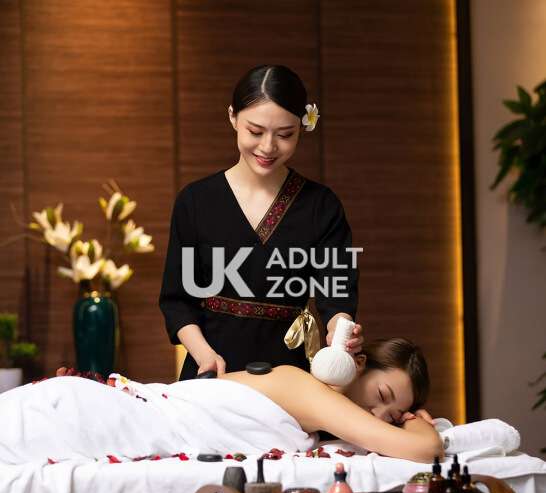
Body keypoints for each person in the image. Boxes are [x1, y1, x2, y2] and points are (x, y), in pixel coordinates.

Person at [159, 64, 363, 380]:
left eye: (285, 135)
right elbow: (177, 301)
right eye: (255, 132)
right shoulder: (196, 201)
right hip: (211, 371)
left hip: (289, 376)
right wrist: (205, 356)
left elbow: (336, 291)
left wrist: (341, 332)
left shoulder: (321, 206)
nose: (268, 147)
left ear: (303, 126)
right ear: (233, 117)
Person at [2, 338, 442, 464]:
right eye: (383, 396)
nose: (378, 416)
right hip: (95, 415)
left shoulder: (308, 416)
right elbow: (426, 449)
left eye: (392, 415)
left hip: (91, 410)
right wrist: (417, 422)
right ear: (358, 364)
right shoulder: (308, 390)